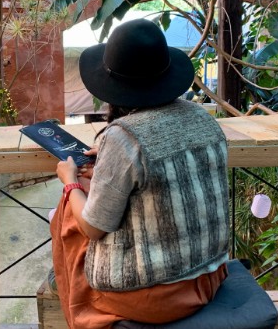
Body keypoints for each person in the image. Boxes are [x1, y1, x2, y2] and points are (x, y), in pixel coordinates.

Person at [50, 19, 230, 329]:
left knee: (70, 213)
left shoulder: (123, 137)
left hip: (155, 299)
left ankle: (80, 312)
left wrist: (69, 181)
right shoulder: (203, 118)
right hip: (210, 279)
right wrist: (107, 163)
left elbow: (94, 228)